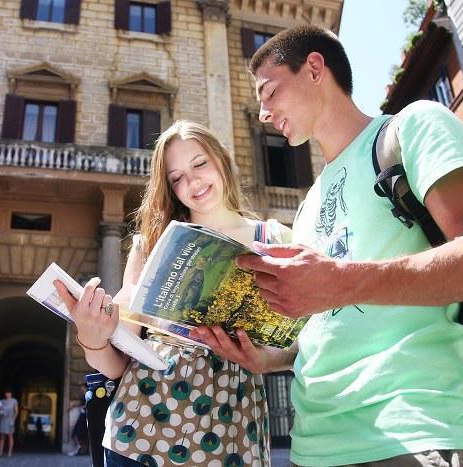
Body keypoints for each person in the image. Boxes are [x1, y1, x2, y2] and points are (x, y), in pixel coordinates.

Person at [198, 25, 463, 467]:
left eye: (270, 93)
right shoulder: (308, 207)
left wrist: (339, 283)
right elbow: (330, 327)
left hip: (412, 437)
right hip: (313, 450)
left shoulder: (414, 128)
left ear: (314, 68)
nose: (264, 114)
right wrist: (268, 359)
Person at [54, 120, 293, 467]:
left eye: (199, 164)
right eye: (177, 177)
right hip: (138, 431)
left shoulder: (276, 239)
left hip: (231, 431)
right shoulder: (149, 244)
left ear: (222, 160)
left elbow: (307, 343)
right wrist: (93, 339)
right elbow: (115, 363)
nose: (192, 182)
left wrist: (268, 358)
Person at [0, 389, 18, 458]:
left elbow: (16, 411)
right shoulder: (2, 401)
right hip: (3, 419)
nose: (7, 394)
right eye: (6, 393)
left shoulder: (14, 401)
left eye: (9, 393)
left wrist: (13, 420)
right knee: (2, 437)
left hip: (10, 420)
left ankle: (9, 452)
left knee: (10, 436)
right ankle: (0, 452)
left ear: (11, 394)